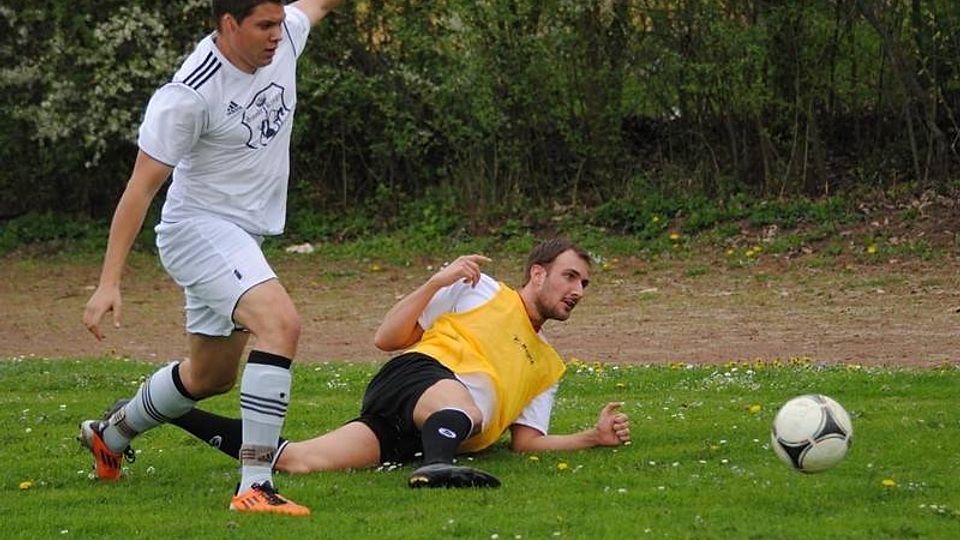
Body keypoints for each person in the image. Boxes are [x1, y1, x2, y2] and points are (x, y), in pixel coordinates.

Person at [79, 0, 344, 516]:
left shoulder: (286, 36)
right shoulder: (190, 94)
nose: (276, 34)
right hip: (198, 231)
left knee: (209, 376)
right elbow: (140, 188)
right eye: (263, 25)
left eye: (278, 22)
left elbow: (316, 5)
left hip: (241, 236)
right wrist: (109, 281)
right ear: (229, 24)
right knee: (281, 326)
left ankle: (110, 435)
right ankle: (255, 486)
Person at [166, 238, 631, 488]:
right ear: (538, 273)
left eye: (585, 284)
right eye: (570, 276)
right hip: (416, 378)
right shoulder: (482, 289)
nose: (577, 290)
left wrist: (592, 438)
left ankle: (169, 409)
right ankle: (437, 468)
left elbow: (526, 444)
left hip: (421, 428)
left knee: (299, 461)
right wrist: (435, 283)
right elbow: (386, 338)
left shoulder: (549, 366)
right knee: (466, 410)